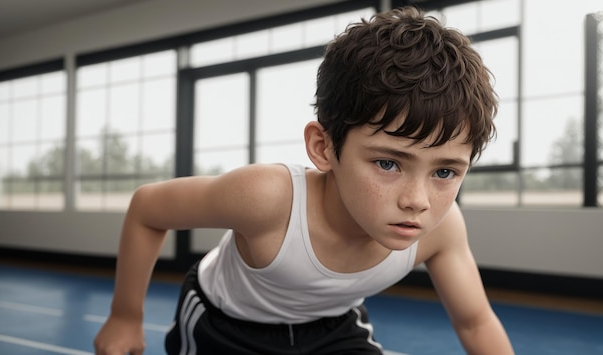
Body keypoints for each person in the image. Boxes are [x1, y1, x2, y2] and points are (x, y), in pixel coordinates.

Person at [94, 6, 514, 355]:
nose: (417, 201)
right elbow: (148, 208)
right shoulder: (267, 198)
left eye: (444, 172)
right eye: (388, 164)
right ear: (324, 147)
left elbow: (476, 323)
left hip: (331, 327)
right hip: (225, 325)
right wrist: (125, 316)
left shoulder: (441, 229)